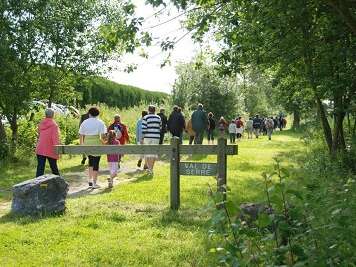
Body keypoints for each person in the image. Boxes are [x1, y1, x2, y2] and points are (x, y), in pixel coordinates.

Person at [79, 107, 107, 188]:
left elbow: (81, 134)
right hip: (97, 143)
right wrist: (104, 143)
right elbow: (102, 137)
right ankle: (94, 183)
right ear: (98, 114)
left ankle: (90, 180)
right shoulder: (100, 122)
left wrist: (81, 145)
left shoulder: (84, 122)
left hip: (87, 143)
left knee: (90, 162)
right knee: (96, 163)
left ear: (89, 113)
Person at [35, 108, 60, 177]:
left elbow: (40, 135)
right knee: (54, 168)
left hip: (40, 148)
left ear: (45, 115)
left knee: (40, 169)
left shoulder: (41, 124)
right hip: (50, 149)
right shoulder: (54, 125)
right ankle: (59, 185)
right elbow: (55, 139)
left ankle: (37, 185)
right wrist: (57, 150)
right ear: (53, 115)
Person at [142, 105, 162, 175]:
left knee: (147, 152)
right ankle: (151, 169)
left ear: (148, 110)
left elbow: (144, 129)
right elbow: (160, 128)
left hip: (147, 137)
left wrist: (142, 138)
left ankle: (149, 169)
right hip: (156, 137)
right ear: (155, 110)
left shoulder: (145, 117)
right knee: (153, 153)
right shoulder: (158, 117)